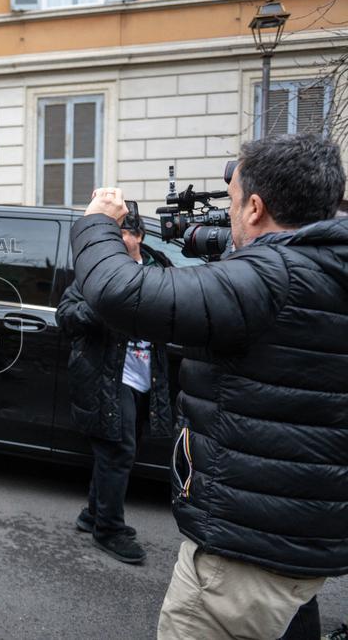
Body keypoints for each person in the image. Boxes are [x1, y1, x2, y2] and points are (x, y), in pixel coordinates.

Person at [71, 133, 347, 640]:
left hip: (244, 555)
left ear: (257, 207)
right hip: (301, 534)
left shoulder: (274, 278)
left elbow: (118, 291)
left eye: (236, 200)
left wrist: (95, 223)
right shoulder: (329, 263)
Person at [56, 213, 173, 565]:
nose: (113, 243)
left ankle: (92, 514)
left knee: (115, 450)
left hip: (146, 376)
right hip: (108, 376)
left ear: (137, 236)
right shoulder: (98, 273)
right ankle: (108, 529)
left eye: (119, 234)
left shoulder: (158, 269)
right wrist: (102, 308)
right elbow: (66, 314)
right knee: (119, 450)